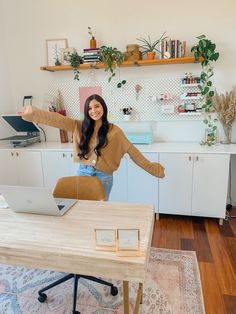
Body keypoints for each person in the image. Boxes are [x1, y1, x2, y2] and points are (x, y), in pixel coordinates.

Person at [18, 94, 165, 199]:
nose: (94, 111)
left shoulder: (115, 131)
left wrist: (152, 168)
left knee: (99, 210)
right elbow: (55, 119)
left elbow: (134, 153)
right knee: (78, 207)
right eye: (89, 108)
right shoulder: (78, 125)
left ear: (103, 107)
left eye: (97, 106)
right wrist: (33, 113)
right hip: (83, 171)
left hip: (104, 176)